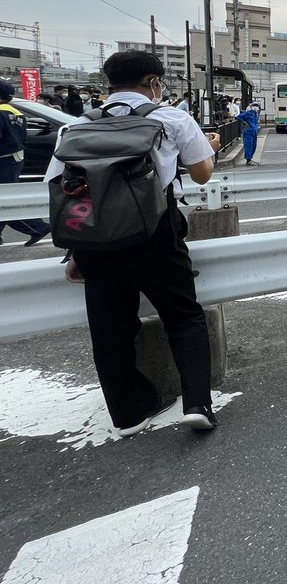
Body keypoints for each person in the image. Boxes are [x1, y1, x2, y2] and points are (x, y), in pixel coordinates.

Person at [45, 50, 222, 436]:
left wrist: (76, 251)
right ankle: (197, 404)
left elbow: (60, 188)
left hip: (94, 237)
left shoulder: (76, 127)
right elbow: (202, 175)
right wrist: (209, 146)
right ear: (154, 83)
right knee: (183, 315)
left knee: (108, 327)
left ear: (109, 84)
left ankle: (129, 414)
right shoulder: (171, 118)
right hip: (154, 232)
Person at [0, 81, 51, 246]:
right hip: (13, 159)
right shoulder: (16, 112)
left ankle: (38, 227)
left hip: (3, 160)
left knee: (5, 201)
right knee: (6, 197)